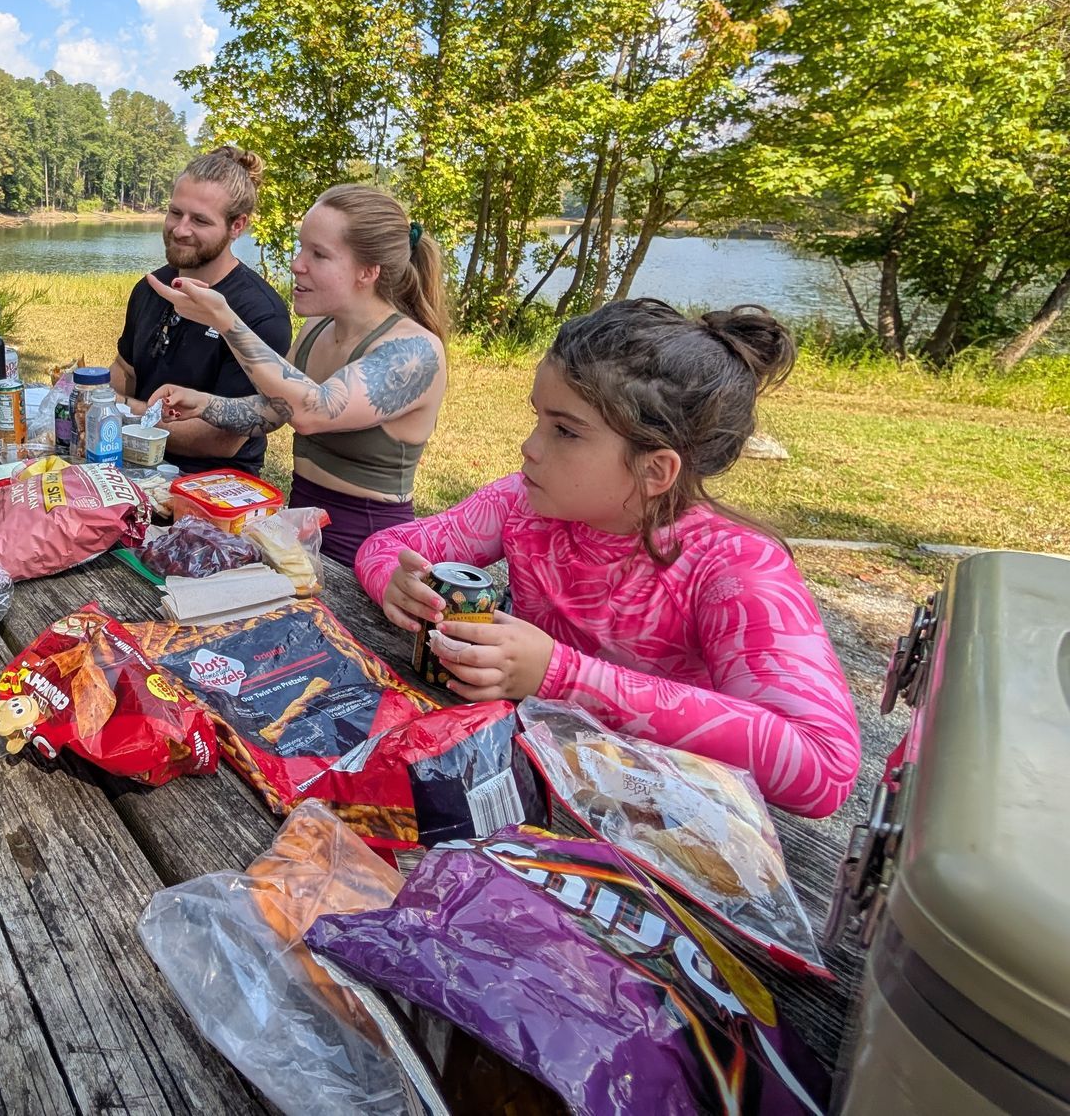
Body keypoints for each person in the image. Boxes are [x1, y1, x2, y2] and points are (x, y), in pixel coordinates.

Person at [357, 298, 862, 819]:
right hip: (525, 783)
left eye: (565, 431)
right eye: (538, 420)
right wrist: (399, 586)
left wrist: (558, 674)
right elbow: (388, 547)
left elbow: (822, 766)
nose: (529, 447)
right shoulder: (523, 504)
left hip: (661, 821)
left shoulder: (734, 567)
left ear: (655, 469)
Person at [150, 184, 448, 565]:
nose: (297, 264)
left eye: (319, 254)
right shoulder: (317, 328)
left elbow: (314, 412)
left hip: (374, 553)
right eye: (301, 247)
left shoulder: (414, 352)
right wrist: (205, 403)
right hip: (300, 535)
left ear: (368, 271)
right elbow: (277, 410)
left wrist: (227, 322)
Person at [111, 145, 292, 476]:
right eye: (175, 213)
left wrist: (118, 411)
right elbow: (126, 369)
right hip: (130, 465)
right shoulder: (151, 287)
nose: (180, 229)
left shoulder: (259, 313)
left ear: (237, 225)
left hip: (210, 486)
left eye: (200, 220)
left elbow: (219, 441)